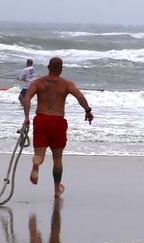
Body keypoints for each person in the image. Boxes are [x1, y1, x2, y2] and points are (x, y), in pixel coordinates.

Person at [23, 57, 94, 198]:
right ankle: (56, 189)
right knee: (57, 159)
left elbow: (27, 99)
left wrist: (26, 118)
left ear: (48, 67)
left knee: (39, 155)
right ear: (61, 69)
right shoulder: (66, 84)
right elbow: (80, 96)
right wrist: (88, 111)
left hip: (41, 120)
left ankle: (36, 165)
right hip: (57, 122)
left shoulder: (38, 82)